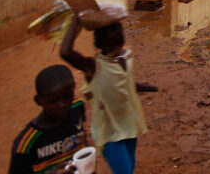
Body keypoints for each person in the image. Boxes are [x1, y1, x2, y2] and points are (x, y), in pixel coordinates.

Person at [60, 13, 157, 174]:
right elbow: (65, 52)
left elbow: (125, 84)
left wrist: (149, 88)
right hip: (109, 134)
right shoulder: (94, 67)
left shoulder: (124, 59)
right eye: (111, 46)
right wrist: (76, 20)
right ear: (100, 46)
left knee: (129, 167)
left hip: (129, 125)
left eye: (118, 44)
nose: (116, 50)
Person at [9, 65, 86, 174]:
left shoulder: (76, 107)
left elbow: (81, 137)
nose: (62, 104)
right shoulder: (26, 145)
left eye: (67, 96)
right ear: (38, 100)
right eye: (53, 101)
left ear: (73, 87)